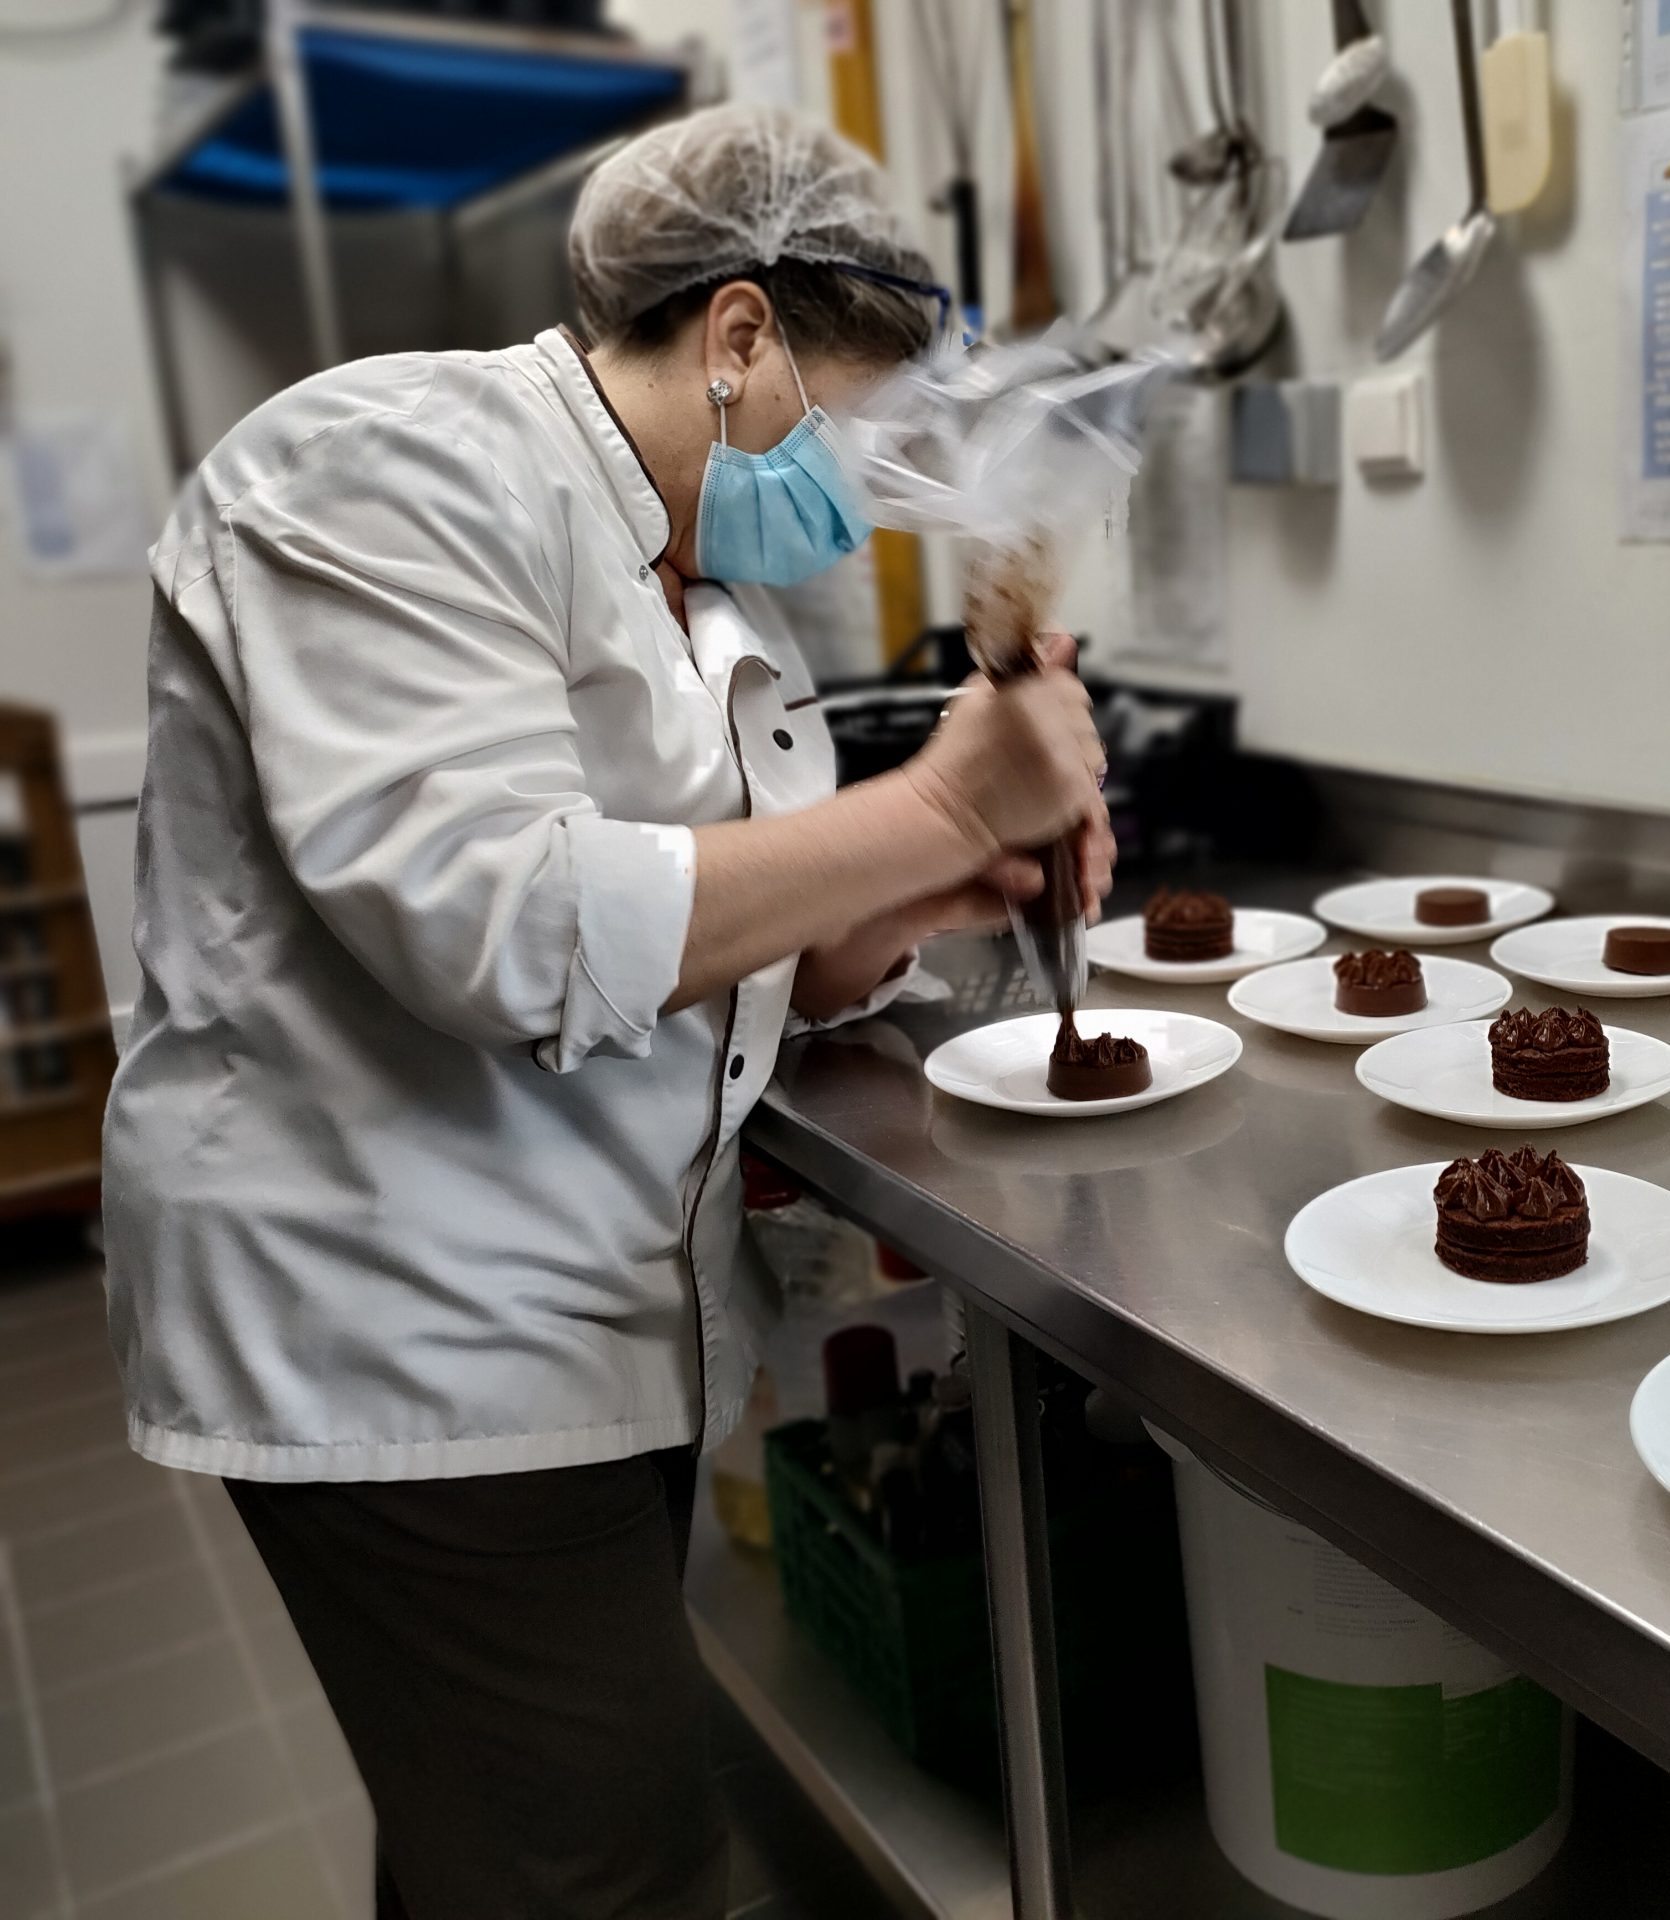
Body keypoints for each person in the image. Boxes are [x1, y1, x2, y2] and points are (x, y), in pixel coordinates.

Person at [98, 105, 1107, 1918]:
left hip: (587, 1318)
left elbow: (718, 935)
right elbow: (501, 922)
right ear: (738, 333)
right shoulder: (382, 464)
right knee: (607, 1871)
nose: (856, 487)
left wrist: (921, 896)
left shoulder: (701, 589)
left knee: (497, 1839)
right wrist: (946, 805)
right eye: (850, 426)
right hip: (404, 1324)